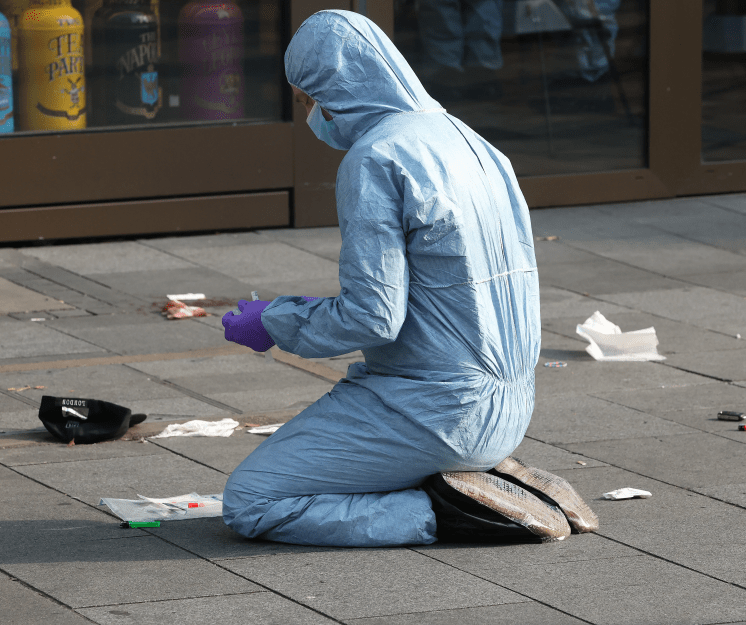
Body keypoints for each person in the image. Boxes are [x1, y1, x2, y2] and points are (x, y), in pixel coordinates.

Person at [221, 10, 595, 547]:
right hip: (512, 402)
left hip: (433, 410)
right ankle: (490, 476)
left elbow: (372, 315)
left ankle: (455, 509)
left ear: (336, 88)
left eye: (308, 99)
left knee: (254, 501)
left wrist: (274, 321)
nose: (311, 115)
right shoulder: (472, 141)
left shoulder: (376, 157)